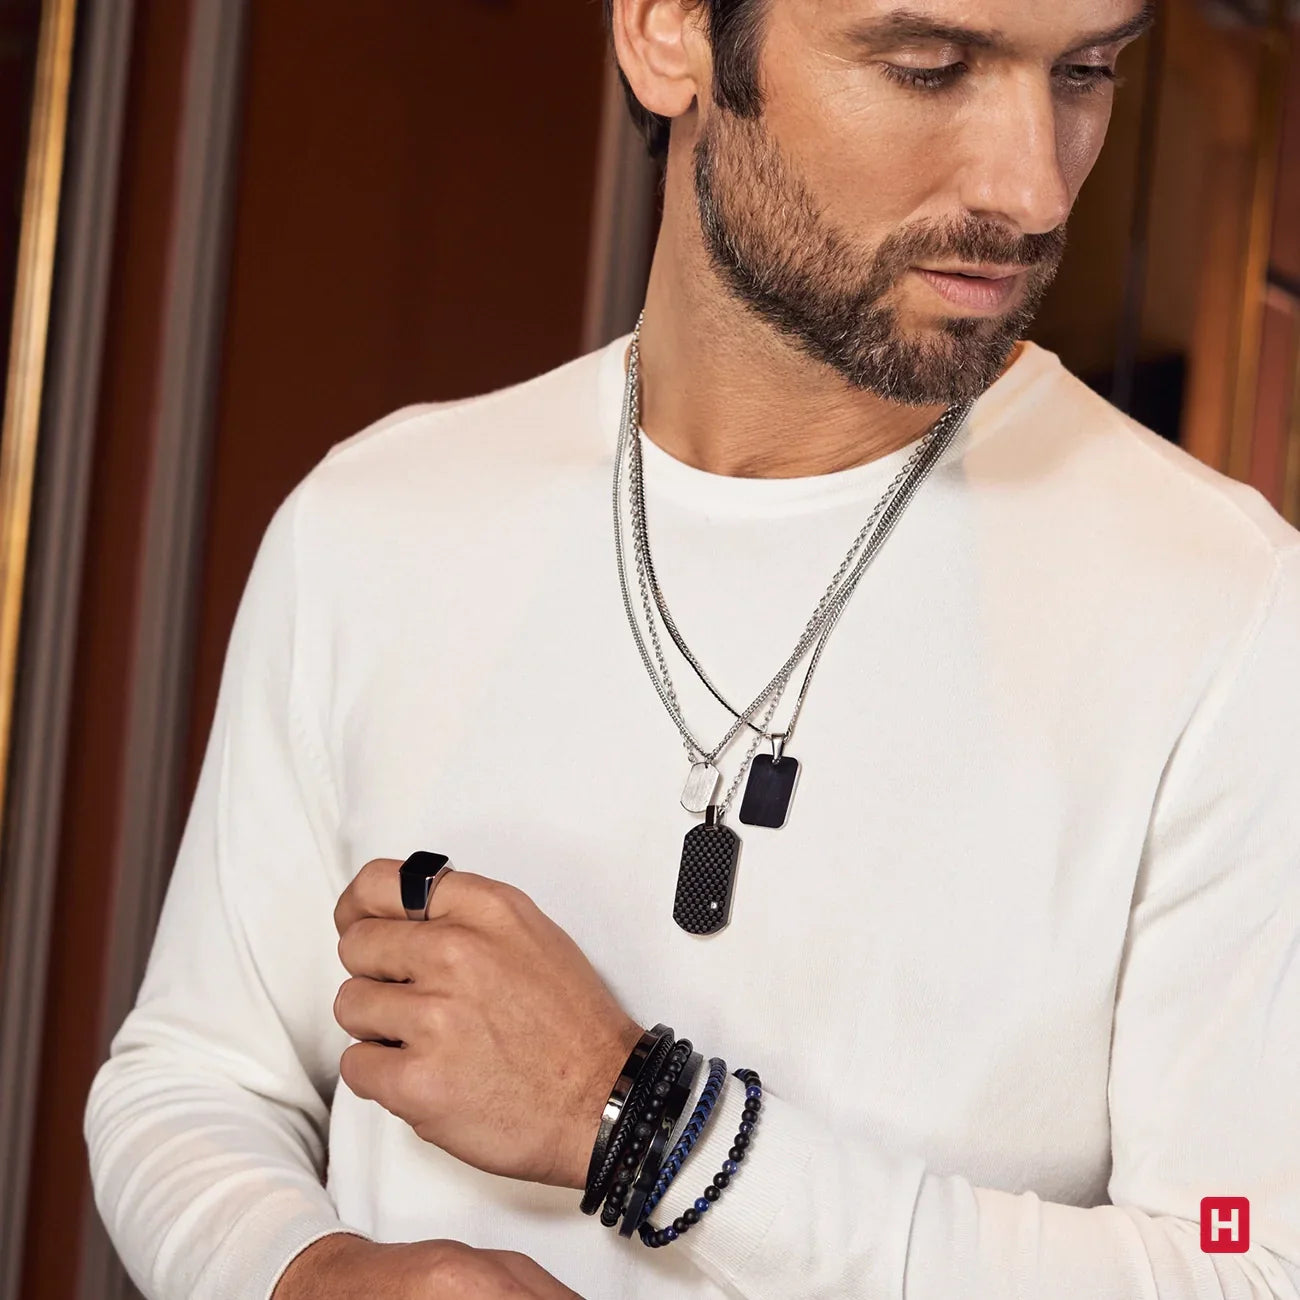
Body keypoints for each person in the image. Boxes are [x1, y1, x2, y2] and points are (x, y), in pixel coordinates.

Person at [85, 0, 1300, 1296]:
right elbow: (192, 1078)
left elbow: (1243, 1256)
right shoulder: (375, 520)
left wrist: (646, 1125)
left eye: (1086, 73)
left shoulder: (1228, 612)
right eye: (930, 68)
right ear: (669, 32)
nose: (1033, 188)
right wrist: (304, 1272)